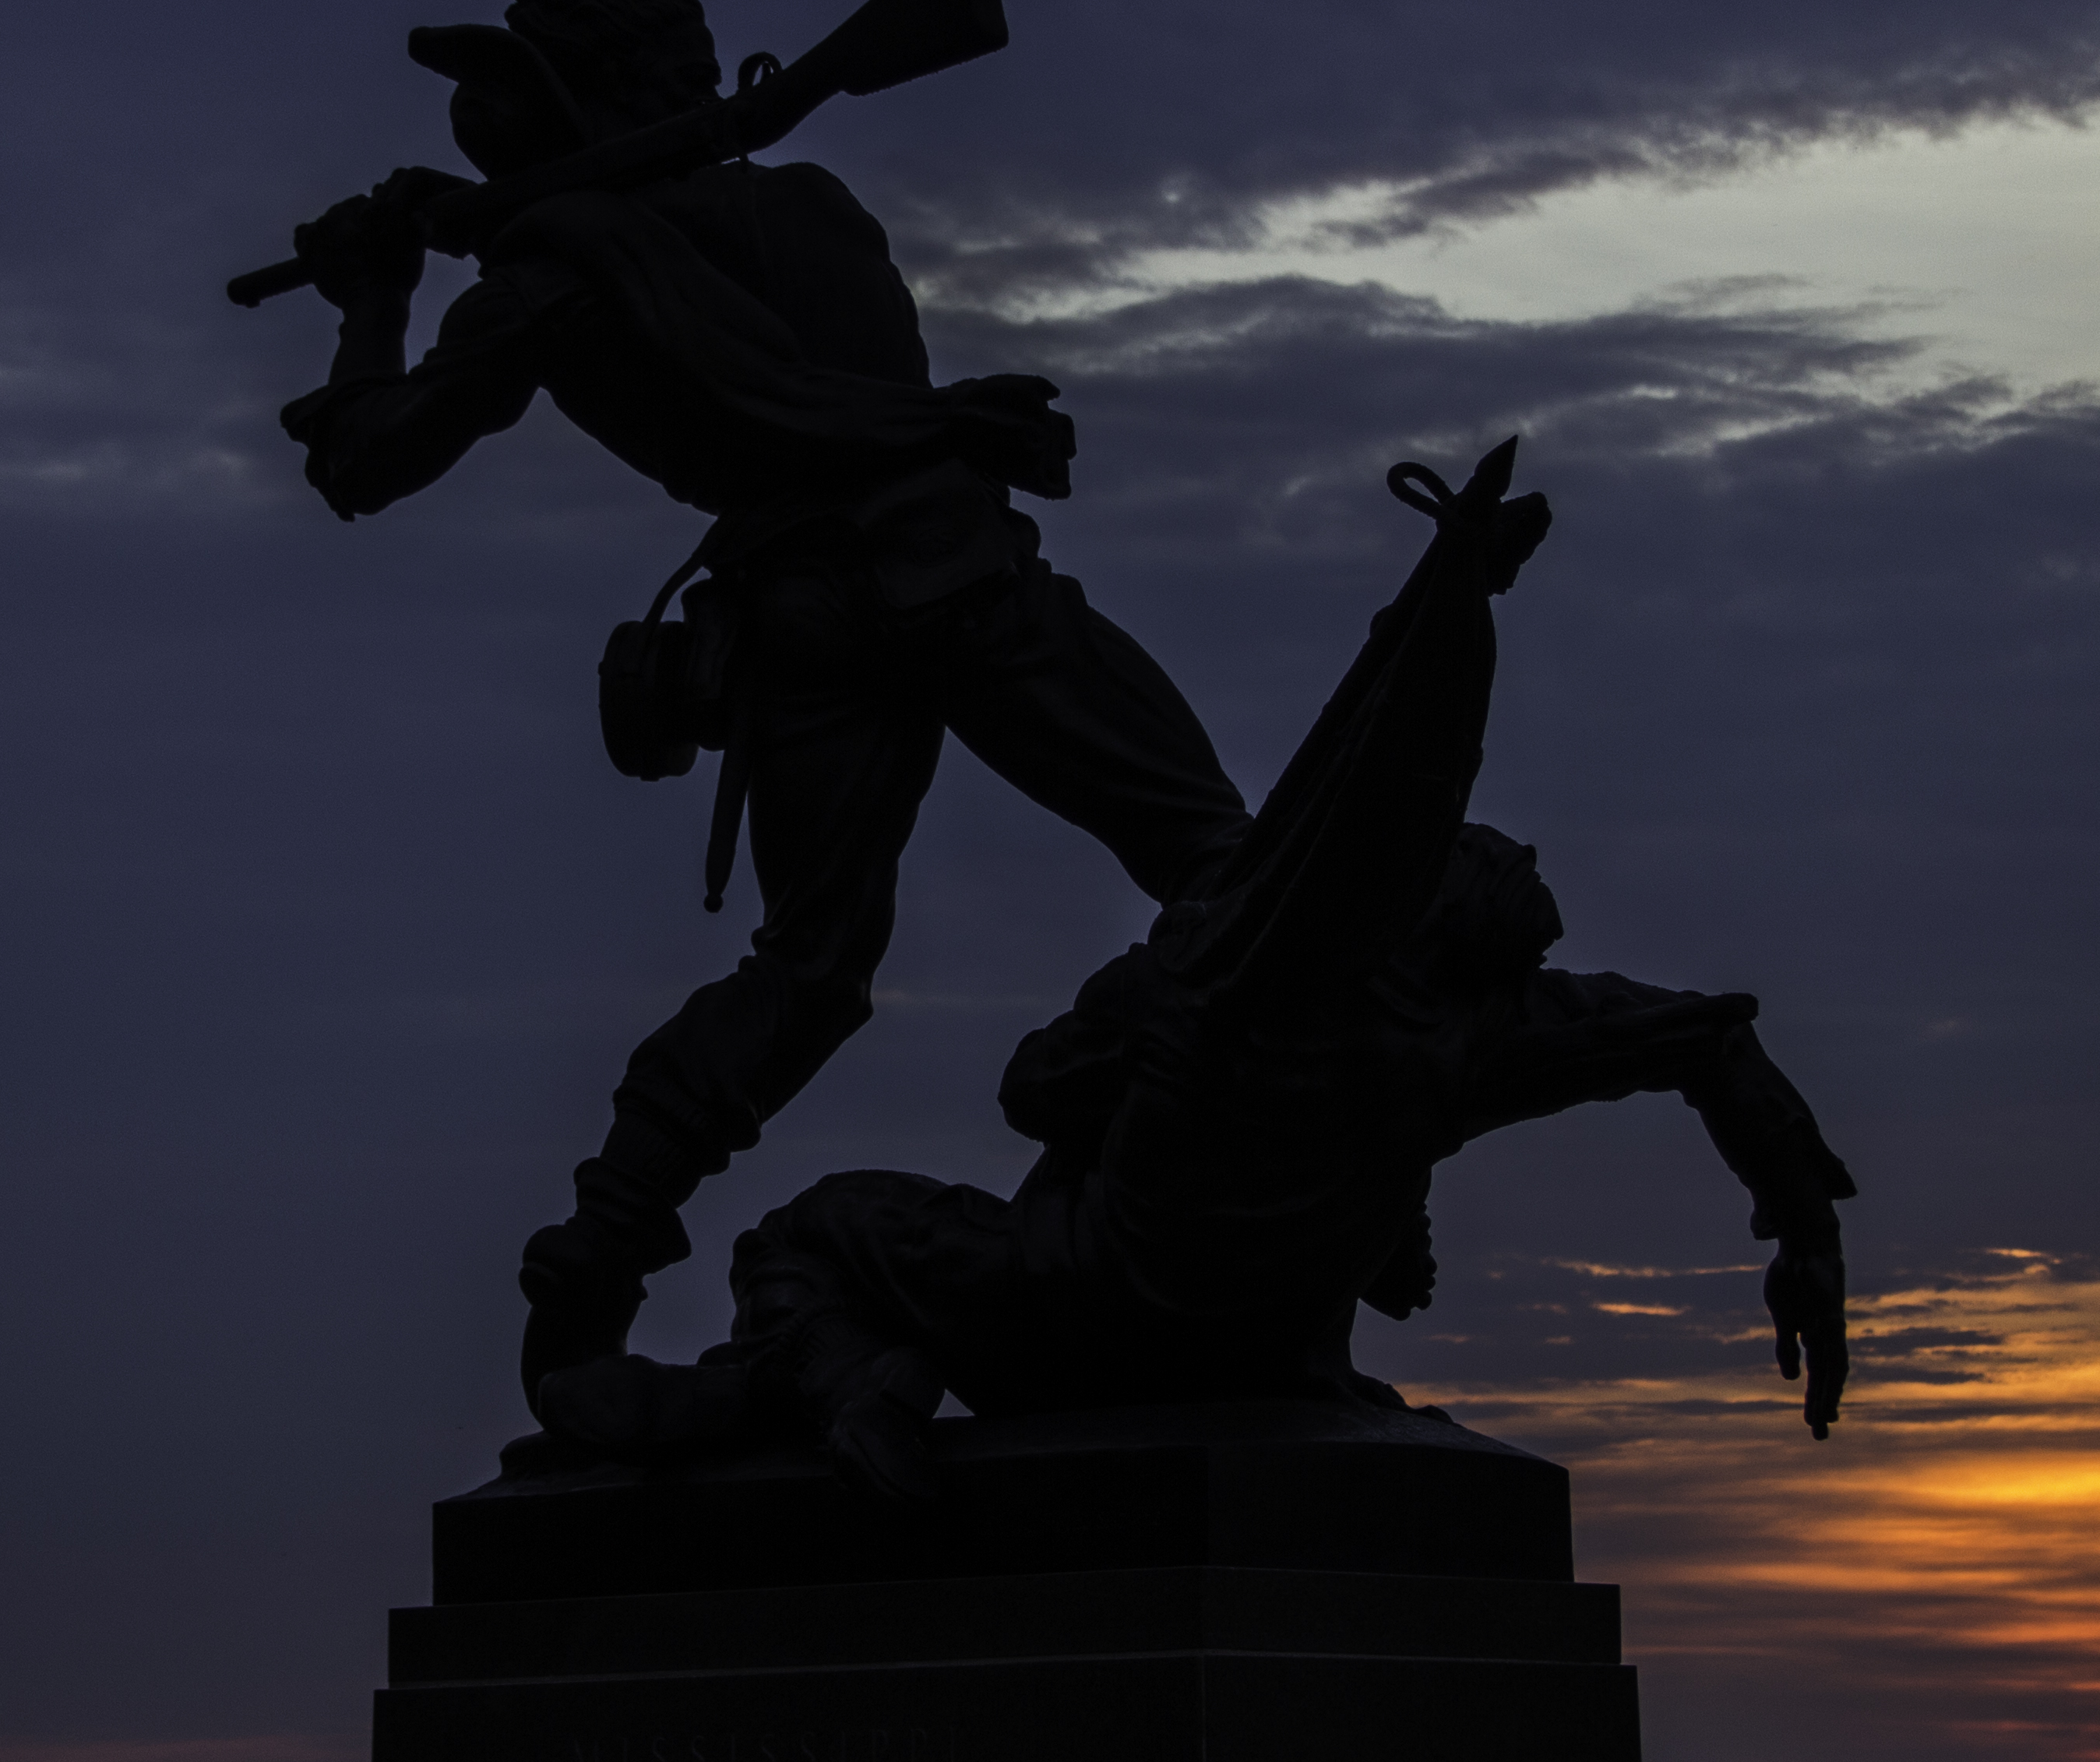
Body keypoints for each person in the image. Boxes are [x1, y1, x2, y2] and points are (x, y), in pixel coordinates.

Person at [277, 0, 1252, 1411]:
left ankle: (601, 1250)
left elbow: (364, 460)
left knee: (813, 972)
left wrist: (374, 300)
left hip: (810, 614)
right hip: (950, 566)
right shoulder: (794, 212)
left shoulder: (547, 281)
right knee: (1216, 860)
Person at [525, 442, 1859, 1492]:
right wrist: (1808, 1235)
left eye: (1479, 852)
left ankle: (829, 1381)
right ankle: (823, 1381)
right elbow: (1704, 1039)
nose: (1509, 849)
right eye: (1489, 847)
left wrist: (1143, 1046)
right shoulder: (1485, 1038)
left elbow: (1033, 1085)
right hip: (1264, 1349)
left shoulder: (1209, 980)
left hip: (1081, 1309)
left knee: (807, 1235)